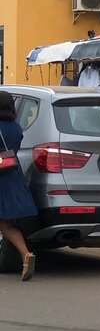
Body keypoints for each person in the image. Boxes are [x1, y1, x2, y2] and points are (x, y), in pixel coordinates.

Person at [0, 91, 37, 281]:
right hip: (12, 176)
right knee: (7, 224)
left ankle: (26, 256)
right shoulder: (16, 127)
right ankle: (25, 255)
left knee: (4, 224)